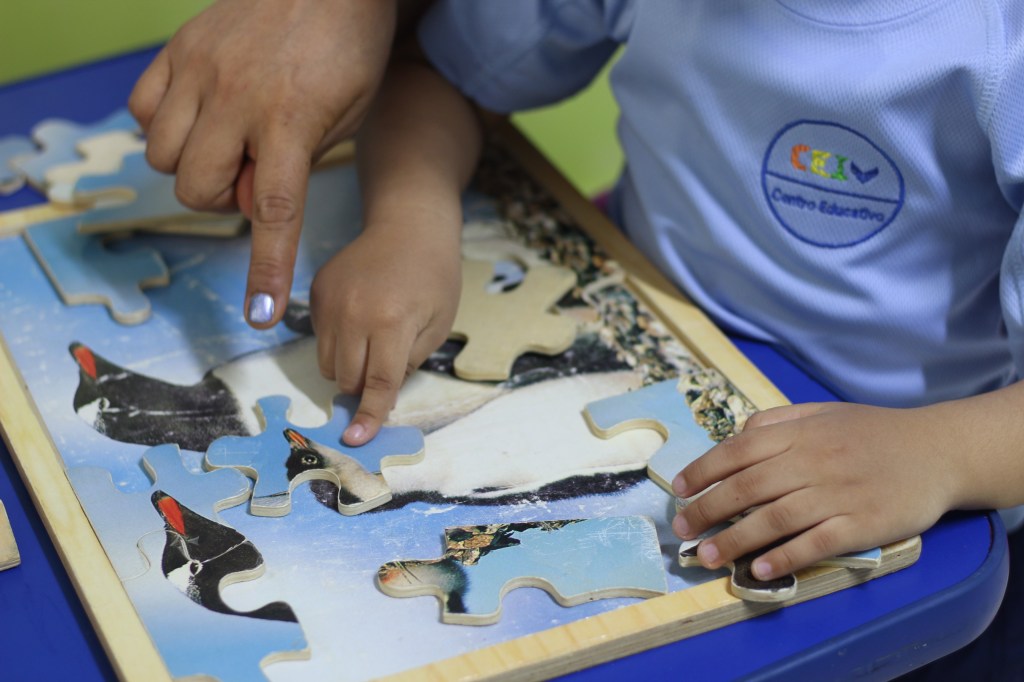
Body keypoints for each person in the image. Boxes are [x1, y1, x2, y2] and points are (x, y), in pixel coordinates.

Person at [142, 0, 1024, 676]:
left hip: (931, 488)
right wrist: (413, 218)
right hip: (645, 334)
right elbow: (443, 70)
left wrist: (939, 453)